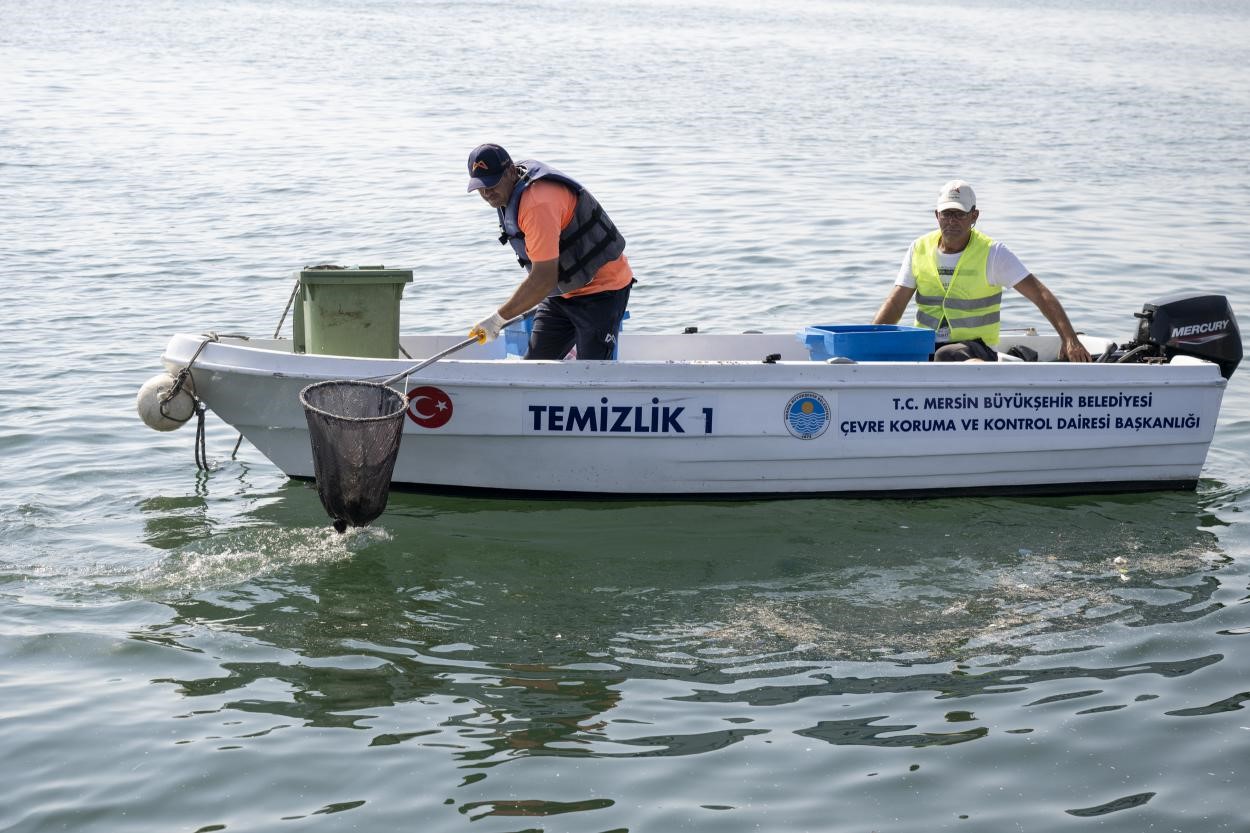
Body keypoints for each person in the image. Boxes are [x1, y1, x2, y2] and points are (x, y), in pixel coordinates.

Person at [872, 180, 1091, 362]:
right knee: (899, 352)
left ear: (974, 216)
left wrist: (1069, 339)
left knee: (948, 354)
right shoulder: (918, 248)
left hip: (976, 349)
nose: (951, 221)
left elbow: (1041, 295)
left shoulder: (993, 253)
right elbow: (895, 304)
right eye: (946, 214)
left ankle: (990, 376)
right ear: (936, 215)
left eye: (959, 214)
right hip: (926, 347)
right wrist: (867, 340)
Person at [465, 143, 634, 360]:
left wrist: (498, 320)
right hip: (562, 294)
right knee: (536, 366)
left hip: (602, 291)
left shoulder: (537, 204)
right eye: (480, 187)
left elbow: (544, 279)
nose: (487, 193)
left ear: (509, 172)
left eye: (492, 184)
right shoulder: (510, 190)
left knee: (592, 373)